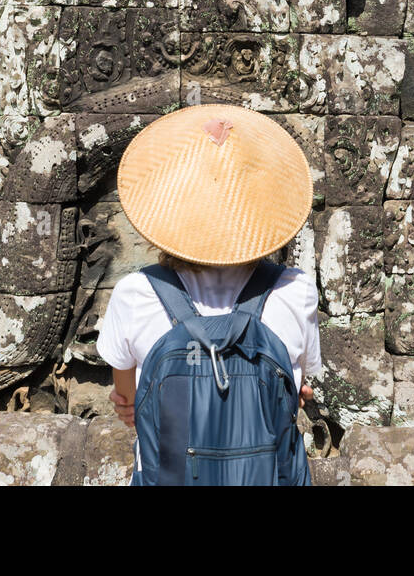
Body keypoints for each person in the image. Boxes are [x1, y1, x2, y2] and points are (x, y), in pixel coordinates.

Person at [96, 103, 322, 485]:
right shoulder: (295, 290)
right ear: (262, 210)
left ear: (167, 211)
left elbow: (130, 404)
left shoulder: (135, 294)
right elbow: (302, 387)